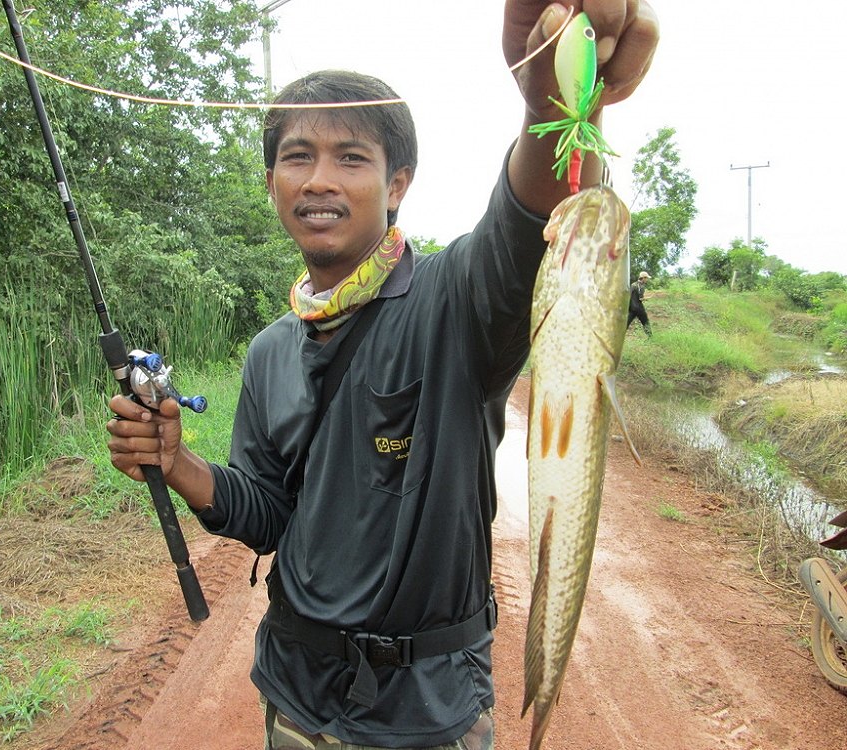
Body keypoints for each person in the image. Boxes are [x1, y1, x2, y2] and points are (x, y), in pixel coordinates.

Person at [106, 2, 658, 747]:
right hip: (295, 699)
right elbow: (268, 512)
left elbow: (526, 226)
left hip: (429, 714)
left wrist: (551, 110)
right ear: (271, 180)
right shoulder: (271, 349)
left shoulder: (455, 302)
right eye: (298, 156)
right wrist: (176, 463)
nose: (320, 180)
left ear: (398, 183)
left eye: (352, 158)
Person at [628, 270, 653, 337]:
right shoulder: (641, 286)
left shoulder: (633, 285)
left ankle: (618, 336)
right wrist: (648, 298)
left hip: (632, 308)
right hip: (639, 308)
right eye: (646, 278)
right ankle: (650, 336)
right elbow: (640, 298)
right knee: (645, 321)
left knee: (626, 323)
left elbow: (629, 296)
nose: (647, 280)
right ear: (643, 278)